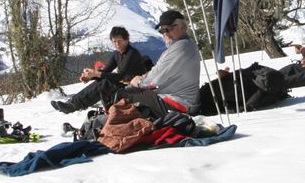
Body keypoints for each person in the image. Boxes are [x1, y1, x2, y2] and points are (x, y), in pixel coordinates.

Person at [52, 10, 200, 118]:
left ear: (183, 27)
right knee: (105, 85)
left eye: (169, 28)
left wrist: (140, 81)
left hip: (174, 103)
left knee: (112, 91)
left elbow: (152, 78)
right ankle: (74, 104)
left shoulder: (180, 46)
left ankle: (106, 118)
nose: (165, 33)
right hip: (168, 97)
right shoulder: (179, 46)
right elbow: (108, 71)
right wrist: (92, 76)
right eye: (162, 30)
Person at [49, 26, 151, 113]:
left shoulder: (131, 53)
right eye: (114, 41)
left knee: (105, 83)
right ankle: (71, 103)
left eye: (119, 41)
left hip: (134, 86)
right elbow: (106, 71)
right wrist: (91, 76)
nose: (117, 44)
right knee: (101, 80)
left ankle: (73, 106)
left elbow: (120, 76)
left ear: (127, 40)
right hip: (125, 84)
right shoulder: (117, 54)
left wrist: (96, 74)